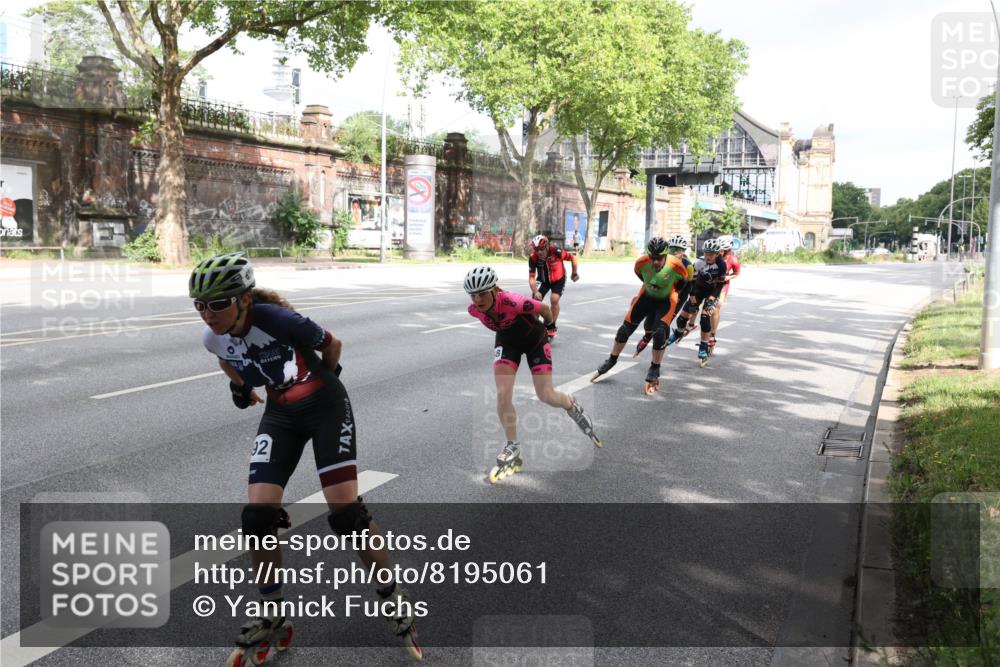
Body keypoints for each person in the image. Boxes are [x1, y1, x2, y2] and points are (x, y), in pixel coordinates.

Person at [190, 252, 422, 664]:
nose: (208, 314)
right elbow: (226, 359)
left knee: (346, 515)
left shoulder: (278, 320)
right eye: (200, 305)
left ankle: (391, 593)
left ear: (244, 300)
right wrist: (241, 387)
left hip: (324, 406)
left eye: (219, 304)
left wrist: (327, 381)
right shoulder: (213, 336)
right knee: (257, 518)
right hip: (280, 414)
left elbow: (333, 345)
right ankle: (273, 613)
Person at [464, 265, 601, 483]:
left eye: (482, 294)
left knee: (545, 394)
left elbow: (545, 309)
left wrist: (550, 327)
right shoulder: (474, 310)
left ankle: (571, 405)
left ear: (495, 290)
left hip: (534, 339)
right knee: (502, 394)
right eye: (473, 295)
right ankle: (512, 446)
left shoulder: (513, 301)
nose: (477, 300)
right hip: (507, 343)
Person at [591, 237, 688, 394]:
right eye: (652, 258)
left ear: (665, 256)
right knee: (624, 330)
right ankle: (612, 360)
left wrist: (669, 293)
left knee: (660, 333)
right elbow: (640, 275)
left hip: (666, 300)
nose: (655, 262)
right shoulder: (641, 263)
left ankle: (655, 368)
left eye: (659, 258)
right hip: (646, 296)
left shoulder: (677, 267)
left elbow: (683, 284)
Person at [667, 238, 728, 366]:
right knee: (682, 318)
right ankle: (679, 332)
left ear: (718, 254)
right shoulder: (699, 262)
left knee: (705, 318)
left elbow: (720, 285)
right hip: (698, 289)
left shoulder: (722, 265)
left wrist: (712, 299)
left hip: (712, 292)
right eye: (706, 253)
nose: (708, 256)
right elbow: (691, 282)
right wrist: (693, 298)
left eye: (711, 254)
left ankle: (703, 347)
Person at [634, 234, 694, 357]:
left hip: (678, 294)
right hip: (662, 294)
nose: (675, 252)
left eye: (678, 250)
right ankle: (647, 336)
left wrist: (692, 301)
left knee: (663, 323)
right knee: (649, 321)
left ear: (683, 252)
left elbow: (689, 284)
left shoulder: (688, 265)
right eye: (672, 249)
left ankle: (661, 344)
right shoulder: (664, 261)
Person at [527, 234, 579, 341]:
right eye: (536, 250)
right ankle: (534, 328)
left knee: (554, 300)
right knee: (535, 302)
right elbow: (531, 277)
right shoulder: (533, 257)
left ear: (547, 246)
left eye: (541, 249)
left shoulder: (556, 251)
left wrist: (574, 273)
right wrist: (535, 291)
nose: (539, 252)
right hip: (543, 280)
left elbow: (573, 258)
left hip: (558, 279)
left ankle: (551, 327)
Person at [709, 237, 741, 350]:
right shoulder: (713, 255)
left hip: (722, 285)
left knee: (717, 306)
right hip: (709, 283)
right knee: (706, 308)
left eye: (723, 250)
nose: (720, 252)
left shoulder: (733, 259)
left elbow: (737, 273)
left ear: (728, 250)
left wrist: (727, 277)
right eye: (719, 249)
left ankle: (712, 334)